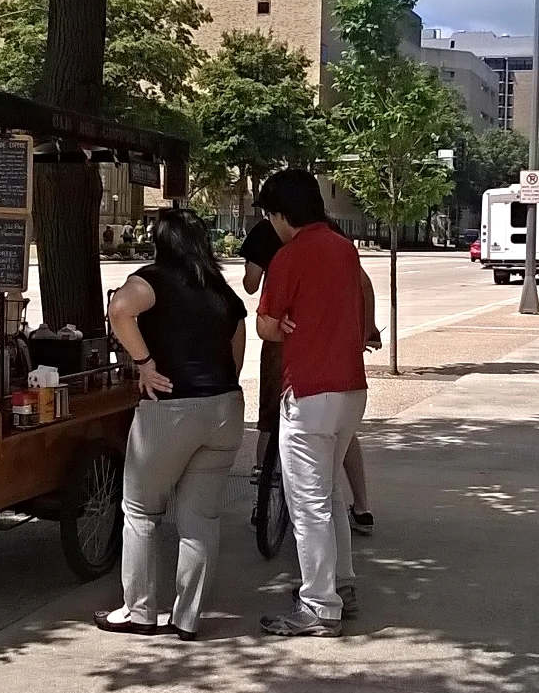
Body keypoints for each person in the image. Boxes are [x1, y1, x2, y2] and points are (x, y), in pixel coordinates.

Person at [93, 210, 247, 642]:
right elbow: (237, 340)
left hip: (171, 409)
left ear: (159, 241)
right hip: (224, 407)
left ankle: (139, 611)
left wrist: (144, 363)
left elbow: (119, 310)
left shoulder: (151, 279)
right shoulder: (217, 287)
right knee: (200, 519)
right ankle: (187, 617)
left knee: (141, 510)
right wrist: (223, 383)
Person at [254, 169, 369, 637]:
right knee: (330, 495)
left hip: (308, 392)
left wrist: (279, 327)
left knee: (308, 505)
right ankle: (342, 583)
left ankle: (320, 605)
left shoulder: (289, 256)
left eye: (271, 216)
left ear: (283, 214)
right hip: (351, 390)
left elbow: (265, 324)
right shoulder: (346, 249)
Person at [243, 215, 380, 535]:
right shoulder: (329, 231)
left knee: (269, 420)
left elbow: (251, 286)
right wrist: (366, 329)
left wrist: (261, 260)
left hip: (283, 336)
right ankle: (362, 505)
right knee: (338, 428)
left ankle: (263, 503)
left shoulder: (266, 232)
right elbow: (363, 283)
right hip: (330, 338)